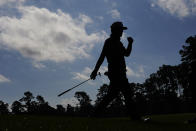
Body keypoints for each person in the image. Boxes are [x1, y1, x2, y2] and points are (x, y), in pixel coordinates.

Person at [90, 21, 140, 120]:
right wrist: (95, 70)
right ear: (115, 30)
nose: (122, 32)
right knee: (127, 94)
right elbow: (102, 57)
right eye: (121, 30)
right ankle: (135, 117)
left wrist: (130, 43)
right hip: (116, 73)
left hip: (118, 72)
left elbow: (126, 54)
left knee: (112, 95)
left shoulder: (119, 42)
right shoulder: (109, 41)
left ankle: (95, 115)